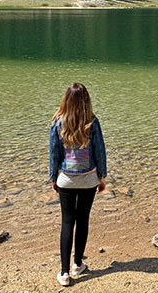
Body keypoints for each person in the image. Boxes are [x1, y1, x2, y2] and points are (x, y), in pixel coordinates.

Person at [48, 82, 107, 286]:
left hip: (66, 178)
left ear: (66, 100)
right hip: (89, 178)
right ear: (86, 101)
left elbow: (54, 153)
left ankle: (64, 273)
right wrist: (102, 177)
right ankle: (78, 264)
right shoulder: (92, 122)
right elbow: (99, 151)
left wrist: (53, 177)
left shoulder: (58, 122)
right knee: (82, 220)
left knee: (67, 222)